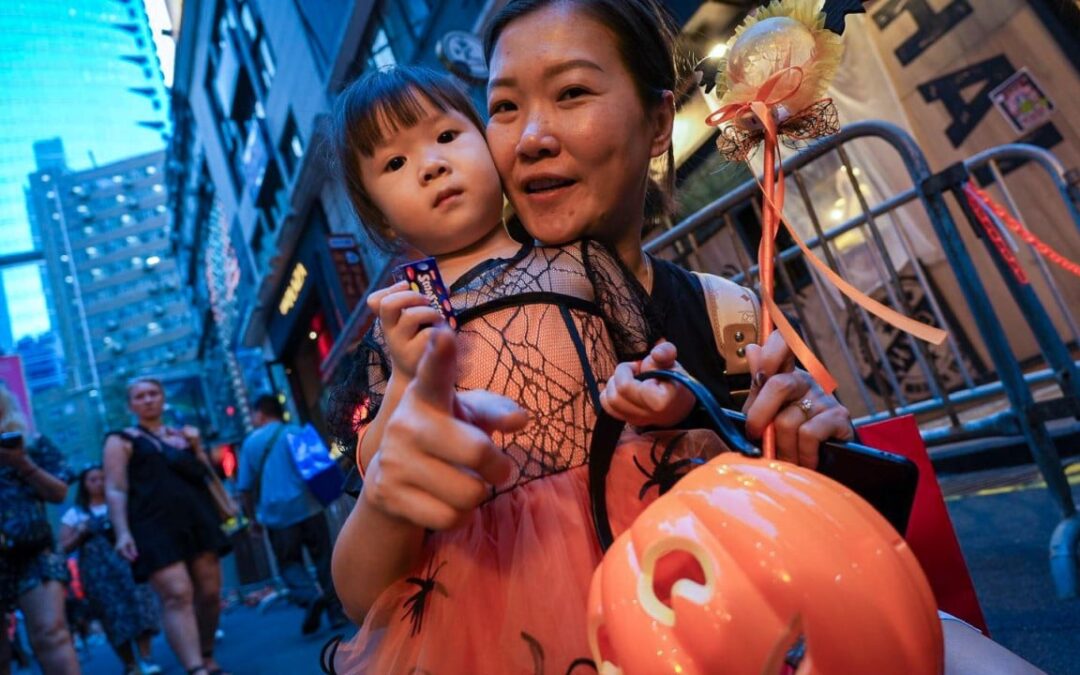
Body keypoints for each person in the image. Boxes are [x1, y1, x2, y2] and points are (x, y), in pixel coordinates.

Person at [482, 1, 1046, 673]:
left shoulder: (730, 314)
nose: (531, 137)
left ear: (659, 121)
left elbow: (798, 549)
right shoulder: (461, 336)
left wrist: (807, 463)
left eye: (571, 92)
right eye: (505, 107)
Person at [325, 64, 670, 672]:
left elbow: (648, 362)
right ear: (380, 218)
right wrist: (407, 374)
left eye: (447, 137)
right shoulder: (399, 319)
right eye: (395, 165)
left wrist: (654, 393)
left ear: (489, 142)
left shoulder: (578, 259)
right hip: (486, 570)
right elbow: (383, 465)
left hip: (624, 507)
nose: (430, 165)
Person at [102, 377, 232, 675]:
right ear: (130, 405)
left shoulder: (184, 435)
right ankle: (196, 667)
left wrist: (197, 446)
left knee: (210, 593)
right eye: (140, 396)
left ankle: (206, 652)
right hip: (152, 527)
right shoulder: (120, 440)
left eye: (153, 393)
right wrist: (122, 533)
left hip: (197, 520)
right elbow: (116, 489)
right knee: (177, 594)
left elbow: (206, 476)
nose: (147, 399)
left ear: (162, 398)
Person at [236, 394, 347, 635]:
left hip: (277, 515)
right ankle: (336, 613)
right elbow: (320, 469)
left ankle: (310, 596)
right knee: (324, 560)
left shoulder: (251, 443)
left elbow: (244, 487)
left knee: (288, 563)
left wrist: (252, 518)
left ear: (261, 414)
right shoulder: (296, 432)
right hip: (310, 507)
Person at [0, 384, 80, 675]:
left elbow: (59, 493)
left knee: (51, 633)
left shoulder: (30, 443)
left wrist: (22, 463)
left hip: (34, 550)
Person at [58, 466, 162, 674]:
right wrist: (80, 534)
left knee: (140, 608)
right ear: (84, 485)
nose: (99, 483)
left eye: (102, 478)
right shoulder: (75, 514)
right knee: (112, 617)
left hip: (128, 564)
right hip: (99, 575)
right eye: (93, 479)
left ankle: (146, 658)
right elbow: (62, 547)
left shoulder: (119, 503)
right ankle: (130, 664)